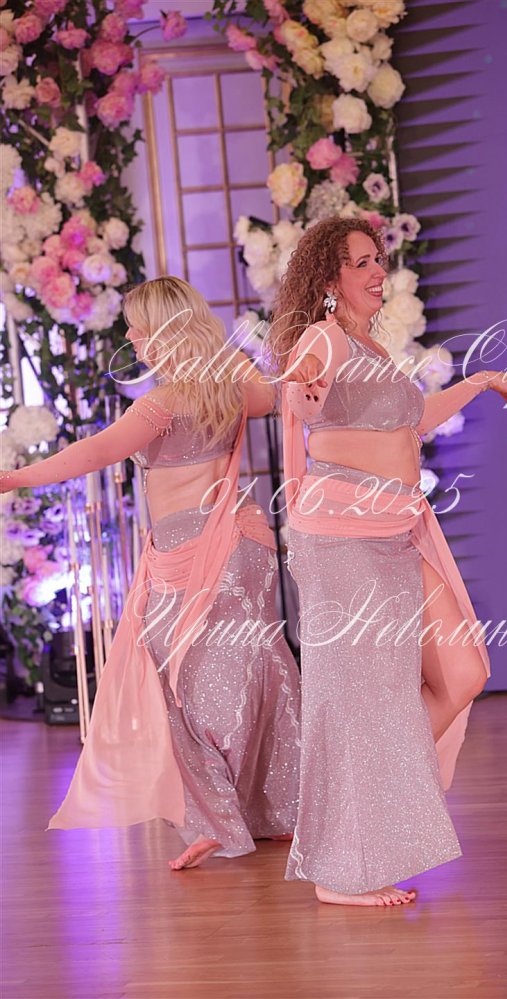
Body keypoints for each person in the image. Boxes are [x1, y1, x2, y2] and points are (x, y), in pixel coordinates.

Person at [266, 217, 507, 907]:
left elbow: (410, 420)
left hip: (395, 530)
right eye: (361, 262)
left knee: (463, 673)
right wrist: (303, 389)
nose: (377, 270)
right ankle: (339, 869)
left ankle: (376, 806)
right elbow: (301, 389)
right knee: (363, 699)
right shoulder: (325, 338)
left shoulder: (371, 347)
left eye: (377, 258)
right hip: (345, 539)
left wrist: (476, 383)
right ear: (330, 280)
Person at [0, 276, 301, 870]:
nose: (132, 339)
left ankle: (218, 817)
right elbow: (271, 395)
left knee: (173, 686)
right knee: (262, 671)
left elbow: (94, 453)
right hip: (248, 543)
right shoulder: (233, 390)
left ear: (163, 332)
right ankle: (275, 809)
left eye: (138, 328)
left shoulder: (159, 405)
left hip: (190, 552)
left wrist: (14, 477)